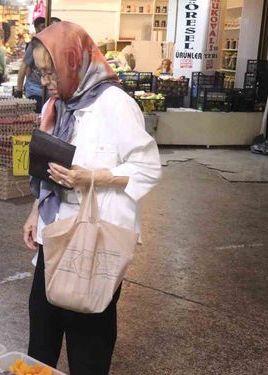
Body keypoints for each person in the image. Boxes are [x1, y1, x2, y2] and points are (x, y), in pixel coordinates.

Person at [22, 22, 162, 375]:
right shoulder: (56, 105)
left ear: (74, 62)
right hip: (53, 236)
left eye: (51, 71)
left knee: (88, 343)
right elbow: (46, 167)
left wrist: (92, 178)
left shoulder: (115, 104)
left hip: (94, 241)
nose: (47, 81)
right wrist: (35, 210)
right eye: (41, 72)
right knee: (42, 332)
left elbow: (147, 168)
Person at [16, 17, 47, 112]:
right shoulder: (33, 44)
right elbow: (24, 67)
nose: (45, 29)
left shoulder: (48, 44)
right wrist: (19, 91)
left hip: (45, 91)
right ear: (37, 28)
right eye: (42, 26)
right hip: (34, 91)